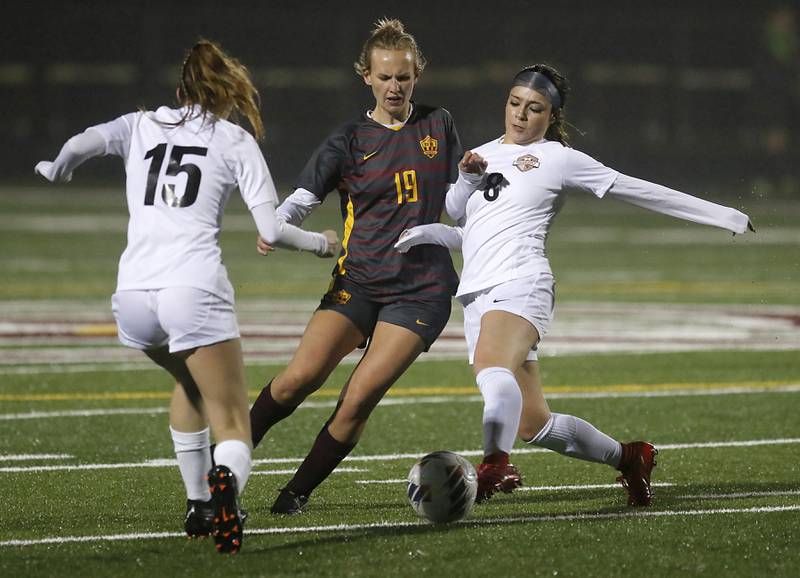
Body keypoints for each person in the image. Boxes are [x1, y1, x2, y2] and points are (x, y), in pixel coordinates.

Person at [395, 63, 754, 506]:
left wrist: (721, 214)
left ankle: (494, 464)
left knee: (492, 370)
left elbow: (633, 188)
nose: (521, 115)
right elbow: (466, 226)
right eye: (514, 104)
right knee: (533, 425)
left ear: (551, 116)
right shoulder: (483, 153)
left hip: (521, 282)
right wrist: (445, 209)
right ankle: (630, 457)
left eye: (534, 108)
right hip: (477, 293)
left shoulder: (559, 158)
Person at [34, 39, 338, 553]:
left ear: (179, 91)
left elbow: (85, 141)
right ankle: (227, 490)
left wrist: (57, 168)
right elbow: (271, 227)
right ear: (226, 95)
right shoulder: (234, 139)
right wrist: (320, 244)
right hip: (192, 289)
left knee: (192, 385)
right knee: (234, 420)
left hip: (132, 295)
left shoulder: (141, 123)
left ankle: (199, 504)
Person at [248, 18, 463, 514]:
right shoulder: (348, 140)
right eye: (385, 76)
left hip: (421, 291)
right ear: (366, 75)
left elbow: (458, 202)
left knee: (358, 398)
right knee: (296, 380)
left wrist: (474, 189)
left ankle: (294, 494)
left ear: (417, 76)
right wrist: (279, 229)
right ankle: (224, 464)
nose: (395, 86)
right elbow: (296, 205)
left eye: (404, 77)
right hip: (359, 281)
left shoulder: (439, 124)